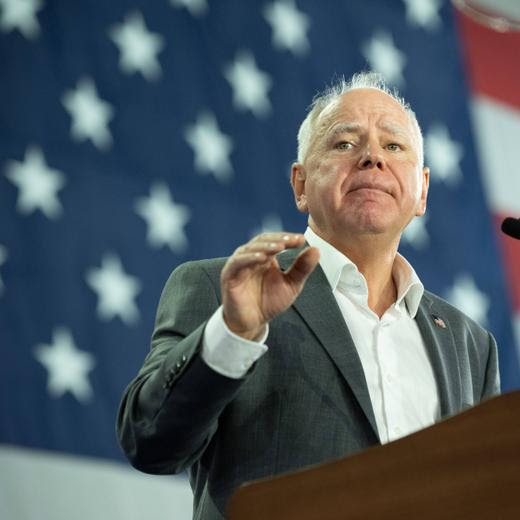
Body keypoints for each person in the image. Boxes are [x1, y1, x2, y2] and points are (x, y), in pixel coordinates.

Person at [117, 72, 500, 520]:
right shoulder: (224, 290)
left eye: (394, 146)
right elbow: (150, 443)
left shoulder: (469, 342)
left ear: (422, 191)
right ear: (300, 185)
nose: (373, 157)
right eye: (344, 144)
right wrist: (234, 331)